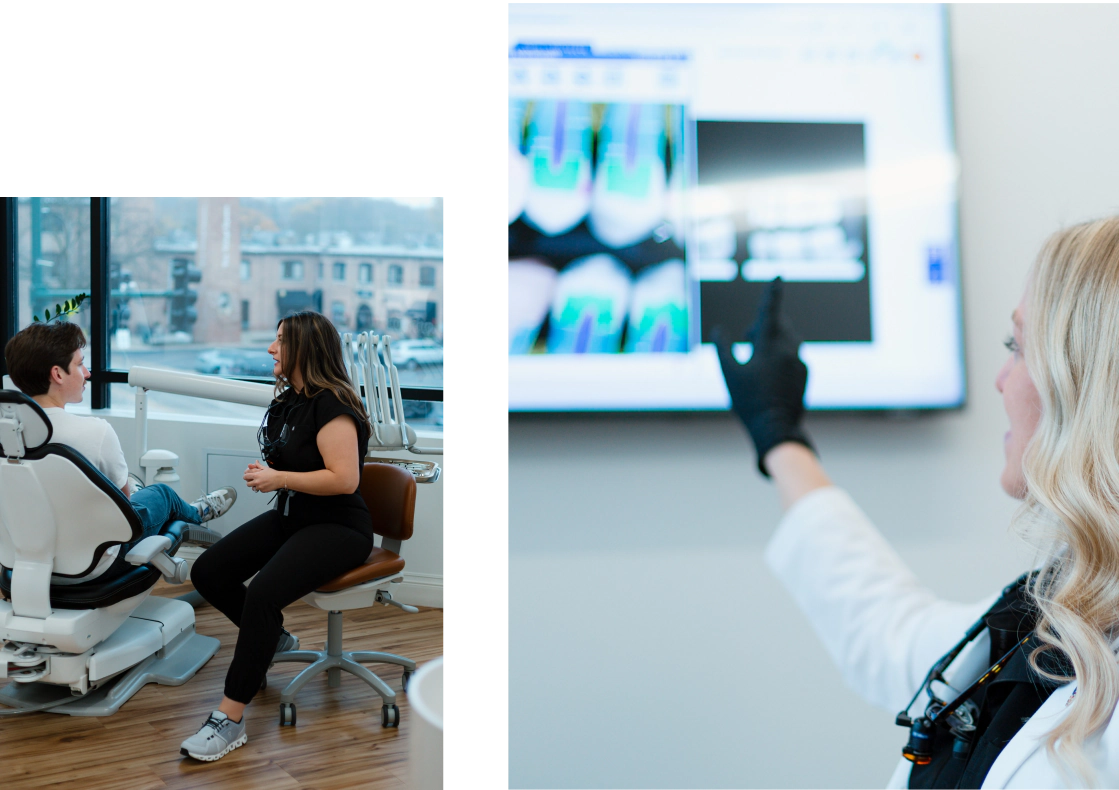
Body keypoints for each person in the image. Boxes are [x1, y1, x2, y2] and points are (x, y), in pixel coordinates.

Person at [716, 217, 1119, 789]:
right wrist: (779, 436)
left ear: (1086, 382)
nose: (1001, 380)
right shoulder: (1061, 608)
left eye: (1017, 347)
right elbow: (894, 635)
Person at [181, 310, 374, 762]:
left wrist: (280, 478)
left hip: (339, 527)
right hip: (294, 516)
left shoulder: (333, 406)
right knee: (209, 571)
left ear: (306, 348)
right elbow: (293, 460)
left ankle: (229, 719)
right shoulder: (291, 401)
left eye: (281, 340)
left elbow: (344, 479)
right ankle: (275, 640)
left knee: (263, 594)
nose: (271, 348)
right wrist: (271, 473)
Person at [2, 321, 238, 585]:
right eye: (80, 364)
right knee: (161, 494)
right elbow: (126, 511)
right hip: (95, 565)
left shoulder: (6, 441)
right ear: (57, 374)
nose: (88, 373)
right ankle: (197, 513)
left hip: (24, 564)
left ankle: (153, 494)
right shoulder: (95, 432)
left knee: (131, 488)